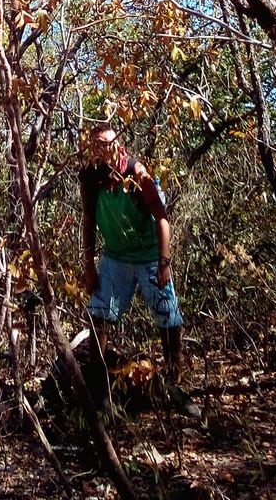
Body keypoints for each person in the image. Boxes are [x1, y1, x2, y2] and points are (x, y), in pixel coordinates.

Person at [79, 125, 199, 416]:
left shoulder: (138, 175)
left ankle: (174, 388)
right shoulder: (91, 176)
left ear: (119, 145)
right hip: (114, 258)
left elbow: (162, 217)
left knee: (168, 318)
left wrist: (164, 262)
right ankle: (101, 394)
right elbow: (88, 218)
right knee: (99, 317)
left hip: (147, 257)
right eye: (95, 145)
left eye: (106, 143)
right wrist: (89, 265)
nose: (101, 150)